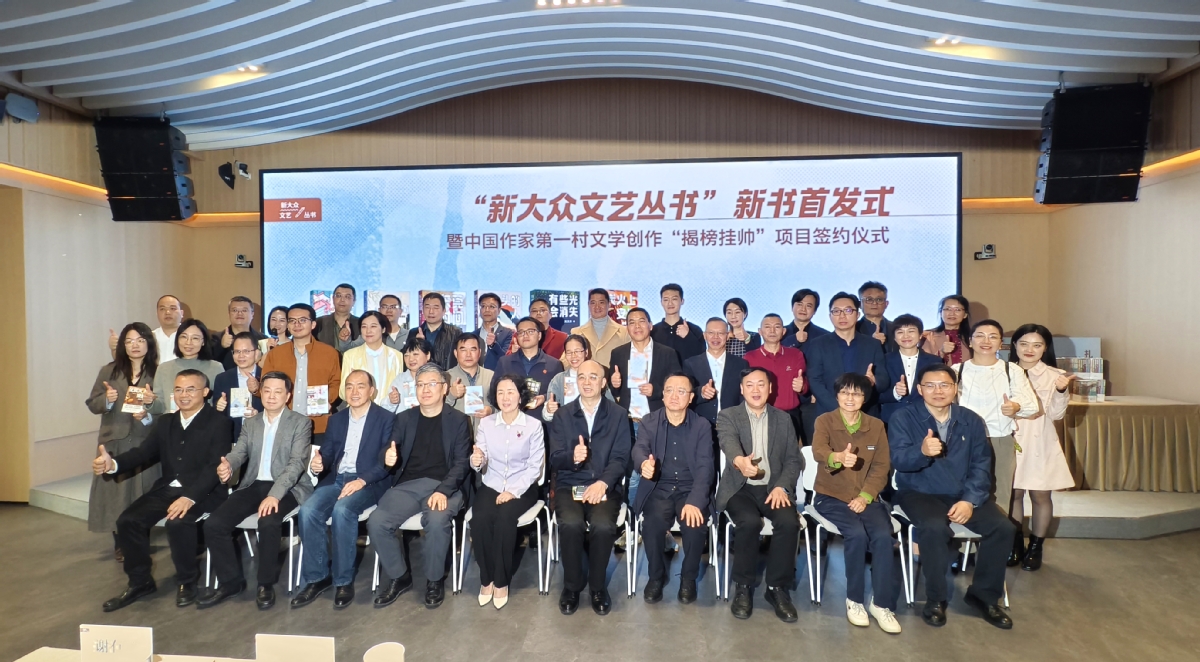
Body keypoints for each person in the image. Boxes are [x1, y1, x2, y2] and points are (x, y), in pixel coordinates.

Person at [94, 369, 233, 612]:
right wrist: (113, 464)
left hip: (205, 492)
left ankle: (187, 582)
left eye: (190, 389)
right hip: (168, 489)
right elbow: (143, 453)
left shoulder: (219, 422)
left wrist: (189, 497)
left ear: (205, 392)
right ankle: (140, 582)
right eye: (178, 389)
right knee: (128, 520)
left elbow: (214, 467)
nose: (183, 394)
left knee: (177, 522)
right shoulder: (166, 422)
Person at [889, 363, 1016, 629]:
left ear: (955, 388)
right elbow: (899, 461)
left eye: (945, 385)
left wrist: (969, 500)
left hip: (961, 493)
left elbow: (981, 466)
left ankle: (983, 596)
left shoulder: (971, 420)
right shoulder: (903, 417)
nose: (938, 391)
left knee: (1003, 528)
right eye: (930, 385)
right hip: (918, 492)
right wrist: (921, 452)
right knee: (934, 527)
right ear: (920, 389)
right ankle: (936, 599)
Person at [199, 371, 314, 610]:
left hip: (288, 487)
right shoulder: (251, 423)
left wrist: (274, 495)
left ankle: (265, 584)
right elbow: (239, 452)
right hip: (253, 484)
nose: (271, 396)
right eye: (267, 390)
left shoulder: (300, 422)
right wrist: (228, 465)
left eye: (278, 391)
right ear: (260, 392)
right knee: (214, 524)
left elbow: (296, 465)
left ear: (287, 395)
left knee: (268, 521)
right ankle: (231, 583)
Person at [370, 363, 473, 610]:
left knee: (436, 521)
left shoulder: (459, 420)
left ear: (444, 388)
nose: (425, 390)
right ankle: (399, 577)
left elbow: (462, 463)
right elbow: (389, 449)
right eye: (420, 385)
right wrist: (387, 458)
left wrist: (443, 490)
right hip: (408, 486)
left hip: (445, 485)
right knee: (377, 522)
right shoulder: (404, 418)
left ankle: (434, 580)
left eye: (431, 384)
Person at [291, 370, 394, 609]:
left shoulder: (386, 418)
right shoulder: (336, 419)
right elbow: (327, 452)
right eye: (349, 386)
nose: (354, 392)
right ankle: (317, 578)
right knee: (308, 511)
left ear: (372, 391)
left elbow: (386, 462)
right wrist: (319, 463)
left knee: (343, 510)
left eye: (360, 386)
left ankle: (343, 580)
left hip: (369, 482)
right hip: (337, 479)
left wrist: (362, 481)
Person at [811, 373, 900, 634]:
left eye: (857, 393)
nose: (850, 398)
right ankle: (855, 600)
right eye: (845, 392)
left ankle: (881, 604)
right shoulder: (824, 421)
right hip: (831, 496)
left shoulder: (876, 425)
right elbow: (819, 451)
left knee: (883, 537)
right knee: (856, 534)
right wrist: (837, 457)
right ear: (837, 395)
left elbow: (881, 467)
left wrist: (865, 496)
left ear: (865, 397)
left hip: (866, 497)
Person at [715, 366, 802, 622]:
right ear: (741, 389)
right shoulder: (728, 415)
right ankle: (743, 586)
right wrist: (740, 461)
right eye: (749, 385)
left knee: (789, 522)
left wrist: (782, 486)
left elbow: (793, 460)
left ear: (770, 388)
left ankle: (777, 588)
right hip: (739, 488)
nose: (755, 390)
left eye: (761, 384)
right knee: (749, 522)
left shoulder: (783, 419)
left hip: (773, 488)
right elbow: (728, 442)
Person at [548, 360, 631, 616]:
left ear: (603, 382)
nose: (586, 382)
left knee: (603, 525)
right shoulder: (562, 415)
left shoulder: (618, 414)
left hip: (605, 485)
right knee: (571, 523)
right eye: (581, 377)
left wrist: (603, 483)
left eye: (593, 377)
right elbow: (555, 458)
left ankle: (597, 587)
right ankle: (572, 586)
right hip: (570, 484)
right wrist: (572, 457)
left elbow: (621, 457)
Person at [631, 372, 714, 604]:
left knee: (694, 525)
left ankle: (688, 578)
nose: (674, 396)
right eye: (669, 390)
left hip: (690, 488)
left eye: (681, 391)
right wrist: (643, 464)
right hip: (659, 487)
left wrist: (695, 501)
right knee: (652, 525)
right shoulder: (649, 421)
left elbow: (705, 466)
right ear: (663, 395)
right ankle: (656, 576)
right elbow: (639, 448)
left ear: (691, 397)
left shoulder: (701, 425)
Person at [86, 322, 161, 562]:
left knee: (142, 495)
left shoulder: (159, 373)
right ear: (122, 346)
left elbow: (166, 410)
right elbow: (92, 403)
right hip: (114, 440)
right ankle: (120, 544)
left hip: (144, 441)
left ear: (149, 343)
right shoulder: (108, 371)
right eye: (129, 341)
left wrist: (148, 411)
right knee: (115, 496)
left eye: (140, 340)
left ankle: (140, 541)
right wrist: (107, 400)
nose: (134, 345)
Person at [469, 375, 545, 609]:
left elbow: (534, 467)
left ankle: (501, 581)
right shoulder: (486, 424)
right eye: (500, 392)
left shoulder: (533, 426)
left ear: (521, 396)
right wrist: (476, 461)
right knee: (480, 519)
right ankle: (486, 578)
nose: (505, 397)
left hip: (523, 486)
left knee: (504, 519)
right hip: (492, 483)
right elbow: (480, 459)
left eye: (511, 392)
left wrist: (513, 491)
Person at [952, 320, 1038, 524]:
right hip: (963, 440)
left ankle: (996, 539)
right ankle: (964, 542)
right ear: (970, 341)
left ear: (1001, 343)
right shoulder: (957, 370)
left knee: (1000, 494)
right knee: (960, 491)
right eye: (980, 336)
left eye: (993, 337)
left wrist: (1015, 407)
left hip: (999, 439)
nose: (986, 341)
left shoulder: (1011, 370)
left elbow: (1032, 405)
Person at [1008, 324, 1076, 571]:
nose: (1030, 349)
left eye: (1037, 345)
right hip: (1010, 438)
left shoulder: (1054, 375)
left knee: (1040, 495)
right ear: (1014, 345)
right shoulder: (1002, 371)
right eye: (1024, 343)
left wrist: (1061, 390)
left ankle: (1036, 547)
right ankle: (1014, 544)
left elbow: (1057, 415)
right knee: (1013, 494)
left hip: (1040, 440)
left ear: (1045, 348)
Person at [609, 307, 683, 502]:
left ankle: (655, 514)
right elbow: (615, 392)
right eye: (631, 322)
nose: (637, 326)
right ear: (626, 328)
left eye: (641, 321)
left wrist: (657, 390)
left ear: (650, 325)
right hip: (629, 422)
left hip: (658, 421)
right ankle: (634, 515)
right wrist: (614, 384)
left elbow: (679, 385)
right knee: (633, 474)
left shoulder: (667, 353)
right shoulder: (618, 353)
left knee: (660, 470)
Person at [263, 304, 342, 444]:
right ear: (288, 325)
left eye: (302, 320)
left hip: (318, 424)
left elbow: (336, 382)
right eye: (292, 321)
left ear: (313, 324)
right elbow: (265, 385)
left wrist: (327, 400)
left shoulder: (329, 353)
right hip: (282, 424)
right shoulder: (275, 354)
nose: (297, 324)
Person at [804, 293, 888, 419]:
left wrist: (873, 381)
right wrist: (839, 409)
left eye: (848, 310)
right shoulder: (818, 344)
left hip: (867, 414)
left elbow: (884, 379)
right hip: (829, 415)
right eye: (836, 311)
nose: (842, 315)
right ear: (830, 316)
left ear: (857, 314)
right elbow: (815, 380)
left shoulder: (873, 344)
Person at [743, 314, 807, 443]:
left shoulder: (795, 354)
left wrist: (802, 386)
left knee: (790, 454)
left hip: (790, 415)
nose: (772, 331)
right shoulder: (749, 358)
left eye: (777, 327)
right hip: (760, 415)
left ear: (783, 331)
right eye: (767, 327)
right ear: (760, 331)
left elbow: (804, 384)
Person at [493, 316, 563, 420]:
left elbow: (560, 394)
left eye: (530, 331)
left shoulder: (554, 364)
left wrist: (544, 398)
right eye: (521, 332)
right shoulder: (504, 362)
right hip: (511, 422)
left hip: (543, 422)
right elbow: (494, 391)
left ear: (539, 335)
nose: (525, 335)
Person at [683, 318, 748, 425]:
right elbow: (685, 394)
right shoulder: (691, 364)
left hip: (732, 425)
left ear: (728, 336)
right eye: (711, 333)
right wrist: (701, 393)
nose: (715, 337)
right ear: (704, 335)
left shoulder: (740, 364)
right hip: (700, 425)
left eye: (721, 333)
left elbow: (743, 396)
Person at [878, 314, 942, 424]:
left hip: (925, 419)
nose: (906, 336)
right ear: (894, 337)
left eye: (911, 331)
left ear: (920, 335)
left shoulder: (934, 361)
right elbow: (875, 395)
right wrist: (895, 393)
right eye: (900, 332)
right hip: (892, 420)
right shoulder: (884, 360)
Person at [152, 318, 224, 414]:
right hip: (171, 421)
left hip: (205, 421)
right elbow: (159, 408)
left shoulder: (215, 367)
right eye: (184, 337)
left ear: (203, 341)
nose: (188, 342)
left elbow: (219, 401)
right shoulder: (163, 368)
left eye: (195, 338)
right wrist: (150, 401)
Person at [340, 311, 404, 408]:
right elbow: (342, 392)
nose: (368, 331)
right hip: (359, 410)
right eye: (364, 327)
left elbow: (399, 388)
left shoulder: (396, 356)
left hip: (388, 411)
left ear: (383, 329)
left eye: (373, 326)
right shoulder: (350, 355)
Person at [213, 332, 264, 441]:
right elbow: (216, 414)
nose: (241, 355)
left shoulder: (266, 377)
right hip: (232, 438)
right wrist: (219, 406)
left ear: (256, 353)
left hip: (261, 436)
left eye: (246, 351)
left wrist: (258, 415)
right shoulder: (222, 378)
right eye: (237, 351)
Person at [111, 295, 184, 365]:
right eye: (162, 309)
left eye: (173, 308)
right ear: (157, 313)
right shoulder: (148, 337)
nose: (167, 312)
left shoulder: (188, 337)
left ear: (181, 313)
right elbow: (126, 363)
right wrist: (114, 349)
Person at [445, 333, 495, 432]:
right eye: (463, 350)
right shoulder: (446, 377)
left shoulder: (491, 376)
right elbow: (436, 409)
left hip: (485, 435)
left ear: (479, 352)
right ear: (455, 353)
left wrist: (491, 410)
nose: (468, 354)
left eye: (473, 349)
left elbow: (503, 404)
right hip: (456, 434)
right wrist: (451, 395)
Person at [573, 288, 630, 368]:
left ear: (609, 304)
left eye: (601, 302)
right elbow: (566, 360)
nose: (597, 306)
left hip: (614, 375)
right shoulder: (576, 332)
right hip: (587, 375)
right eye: (593, 303)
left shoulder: (624, 332)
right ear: (588, 305)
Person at [406, 292, 463, 369]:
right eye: (427, 307)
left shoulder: (455, 332)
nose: (431, 311)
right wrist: (418, 343)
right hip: (421, 375)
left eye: (436, 308)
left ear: (444, 311)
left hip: (447, 375)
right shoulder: (414, 332)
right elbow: (408, 357)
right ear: (422, 310)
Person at [651, 283, 705, 361]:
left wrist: (688, 336)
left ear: (682, 301)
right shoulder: (653, 331)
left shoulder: (694, 330)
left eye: (674, 299)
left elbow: (703, 357)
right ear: (661, 302)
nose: (670, 303)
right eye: (666, 300)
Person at [212, 296, 266, 369]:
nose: (239, 313)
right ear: (229, 314)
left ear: (252, 314)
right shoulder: (216, 338)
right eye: (235, 310)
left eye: (244, 310)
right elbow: (208, 364)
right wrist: (221, 346)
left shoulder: (263, 339)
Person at [345, 294, 409, 351]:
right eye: (385, 307)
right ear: (379, 310)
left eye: (393, 307)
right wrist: (345, 339)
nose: (389, 310)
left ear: (400, 311)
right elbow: (348, 349)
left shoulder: (409, 335)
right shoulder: (370, 334)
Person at [387, 337, 434, 414]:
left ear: (428, 355)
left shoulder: (435, 377)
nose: (411, 359)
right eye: (406, 355)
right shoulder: (400, 379)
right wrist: (391, 401)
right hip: (404, 420)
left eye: (415, 354)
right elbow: (386, 409)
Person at [922, 295, 972, 365]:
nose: (952, 313)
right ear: (940, 313)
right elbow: (922, 364)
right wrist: (941, 352)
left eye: (958, 310)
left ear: (965, 315)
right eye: (948, 309)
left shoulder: (973, 336)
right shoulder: (928, 336)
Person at [315, 283, 360, 352]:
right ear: (333, 299)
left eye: (347, 297)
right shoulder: (318, 323)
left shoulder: (361, 324)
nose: (342, 300)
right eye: (338, 296)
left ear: (354, 301)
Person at [475, 292, 514, 371]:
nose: (487, 310)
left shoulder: (508, 333)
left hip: (499, 376)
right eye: (483, 306)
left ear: (499, 311)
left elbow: (507, 359)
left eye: (492, 307)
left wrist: (493, 345)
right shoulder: (473, 335)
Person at [856, 281, 897, 354]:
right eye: (869, 299)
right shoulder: (852, 330)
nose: (874, 303)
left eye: (879, 299)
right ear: (860, 304)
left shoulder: (897, 328)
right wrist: (871, 344)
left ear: (886, 304)